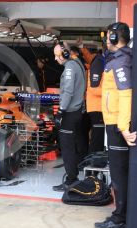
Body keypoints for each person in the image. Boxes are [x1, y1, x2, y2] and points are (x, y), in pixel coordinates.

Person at [94, 22, 137, 228]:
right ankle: (121, 215)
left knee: (119, 175)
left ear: (113, 38)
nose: (105, 39)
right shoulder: (118, 59)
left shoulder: (120, 62)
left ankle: (120, 219)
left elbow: (125, 94)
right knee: (120, 174)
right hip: (115, 124)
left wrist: (123, 127)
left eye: (108, 36)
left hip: (117, 127)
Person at [52, 43, 86, 192]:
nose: (55, 58)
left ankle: (71, 180)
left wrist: (60, 111)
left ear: (65, 54)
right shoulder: (77, 63)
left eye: (56, 54)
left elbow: (68, 91)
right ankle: (72, 177)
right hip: (77, 111)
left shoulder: (70, 67)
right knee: (71, 146)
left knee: (67, 148)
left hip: (70, 113)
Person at [77, 38, 106, 153]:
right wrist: (110, 92)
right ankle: (94, 161)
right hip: (97, 107)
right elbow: (94, 89)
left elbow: (87, 56)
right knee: (97, 137)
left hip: (94, 106)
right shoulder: (99, 62)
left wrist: (81, 47)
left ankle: (93, 160)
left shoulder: (95, 62)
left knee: (96, 135)